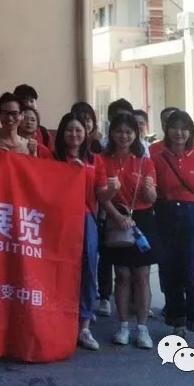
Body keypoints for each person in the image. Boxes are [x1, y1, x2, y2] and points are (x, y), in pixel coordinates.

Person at [152, 110, 194, 353]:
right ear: (167, 130)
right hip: (164, 214)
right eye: (174, 127)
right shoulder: (156, 154)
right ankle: (178, 322)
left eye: (184, 128)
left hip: (192, 216)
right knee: (170, 269)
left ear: (190, 131)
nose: (179, 133)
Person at [53, 111, 112, 351]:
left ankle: (84, 325)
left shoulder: (95, 160)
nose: (74, 134)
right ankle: (58, 321)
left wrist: (113, 189)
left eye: (78, 130)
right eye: (69, 130)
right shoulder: (51, 157)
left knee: (88, 268)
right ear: (62, 133)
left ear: (86, 133)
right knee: (58, 268)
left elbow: (102, 194)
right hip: (57, 219)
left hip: (86, 217)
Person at [101, 112, 159, 349]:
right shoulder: (103, 160)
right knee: (122, 275)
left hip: (142, 221)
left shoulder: (145, 161)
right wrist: (118, 217)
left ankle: (142, 329)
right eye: (119, 131)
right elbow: (100, 195)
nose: (124, 136)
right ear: (112, 133)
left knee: (142, 277)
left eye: (129, 132)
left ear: (136, 134)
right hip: (115, 220)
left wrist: (149, 189)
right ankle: (123, 325)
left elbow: (152, 198)